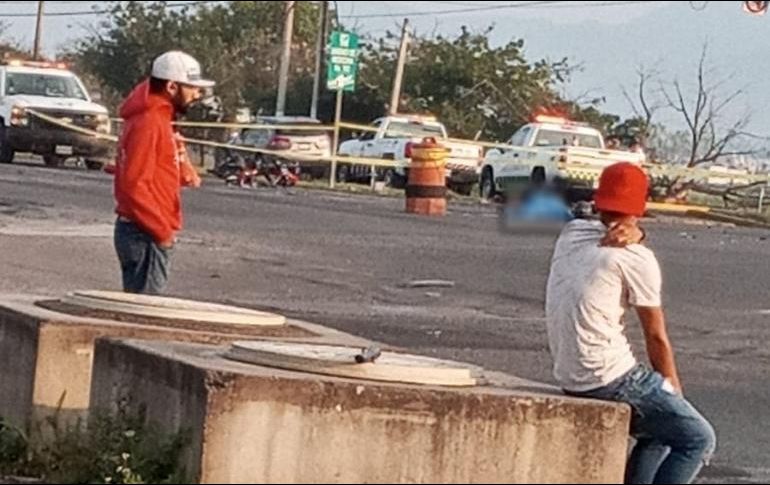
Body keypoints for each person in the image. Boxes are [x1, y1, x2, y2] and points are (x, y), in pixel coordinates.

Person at [545, 162, 715, 484]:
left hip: (570, 374)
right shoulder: (637, 259)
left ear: (599, 202)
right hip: (609, 379)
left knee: (657, 430)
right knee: (698, 438)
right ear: (641, 206)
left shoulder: (571, 234)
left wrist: (638, 233)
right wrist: (673, 390)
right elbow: (656, 337)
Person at [113, 51, 213, 294]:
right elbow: (135, 184)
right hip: (144, 232)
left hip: (141, 230)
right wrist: (162, 232)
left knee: (140, 311)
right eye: (192, 88)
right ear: (171, 86)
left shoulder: (157, 118)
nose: (196, 95)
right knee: (143, 317)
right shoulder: (150, 121)